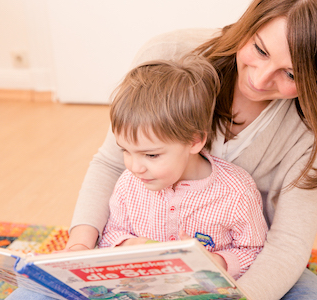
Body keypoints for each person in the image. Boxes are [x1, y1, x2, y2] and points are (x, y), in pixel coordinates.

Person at [8, 0, 317, 298]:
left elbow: (287, 245)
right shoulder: (172, 55)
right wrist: (80, 250)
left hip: (242, 270)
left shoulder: (315, 129)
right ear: (249, 23)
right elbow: (109, 165)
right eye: (259, 49)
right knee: (33, 292)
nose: (259, 80)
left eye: (291, 74)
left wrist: (230, 291)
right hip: (133, 257)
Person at [99, 57, 268, 282]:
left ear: (194, 141)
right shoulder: (129, 183)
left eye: (151, 155)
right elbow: (111, 233)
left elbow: (255, 251)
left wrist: (219, 262)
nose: (134, 167)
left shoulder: (236, 192)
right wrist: (130, 244)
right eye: (126, 151)